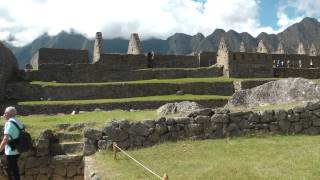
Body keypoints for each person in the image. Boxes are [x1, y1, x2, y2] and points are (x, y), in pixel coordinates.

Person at [0, 106, 23, 180]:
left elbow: (5, 139)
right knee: (14, 170)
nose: (3, 114)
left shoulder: (9, 123)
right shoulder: (17, 121)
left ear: (7, 113)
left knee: (12, 172)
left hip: (11, 152)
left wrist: (0, 149)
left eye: (4, 113)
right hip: (18, 149)